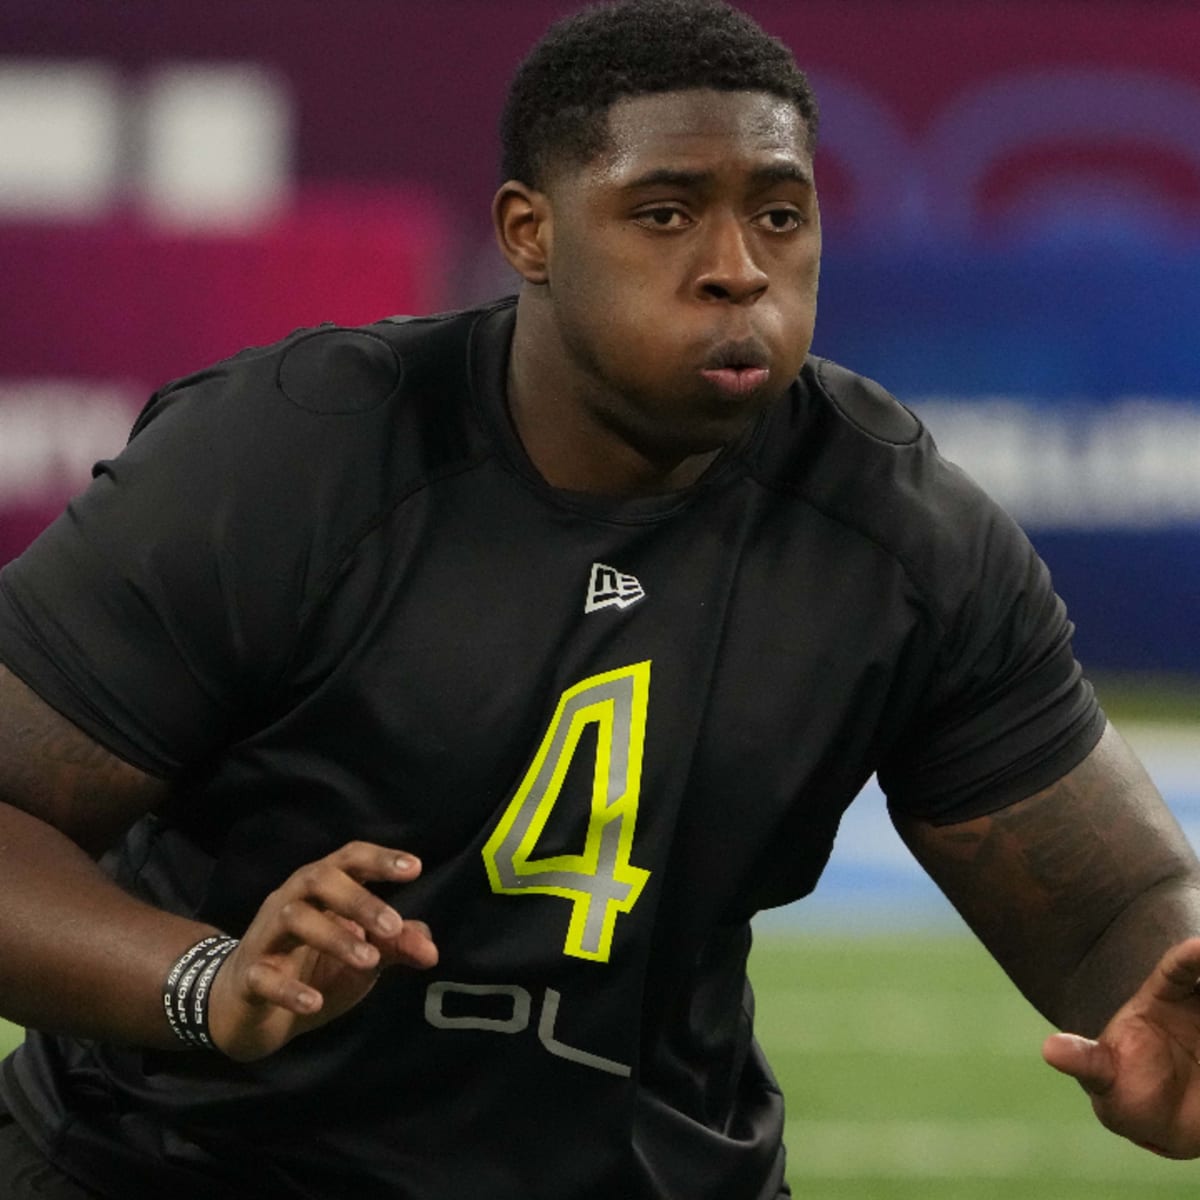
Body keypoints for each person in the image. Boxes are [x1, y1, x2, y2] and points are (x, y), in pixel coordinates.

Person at [0, 0, 1198, 1195]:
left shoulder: (903, 534)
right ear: (532, 232)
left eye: (780, 215)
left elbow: (1114, 906)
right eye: (665, 214)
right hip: (174, 1165)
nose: (737, 269)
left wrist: (1175, 1011)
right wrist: (205, 982)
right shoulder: (290, 460)